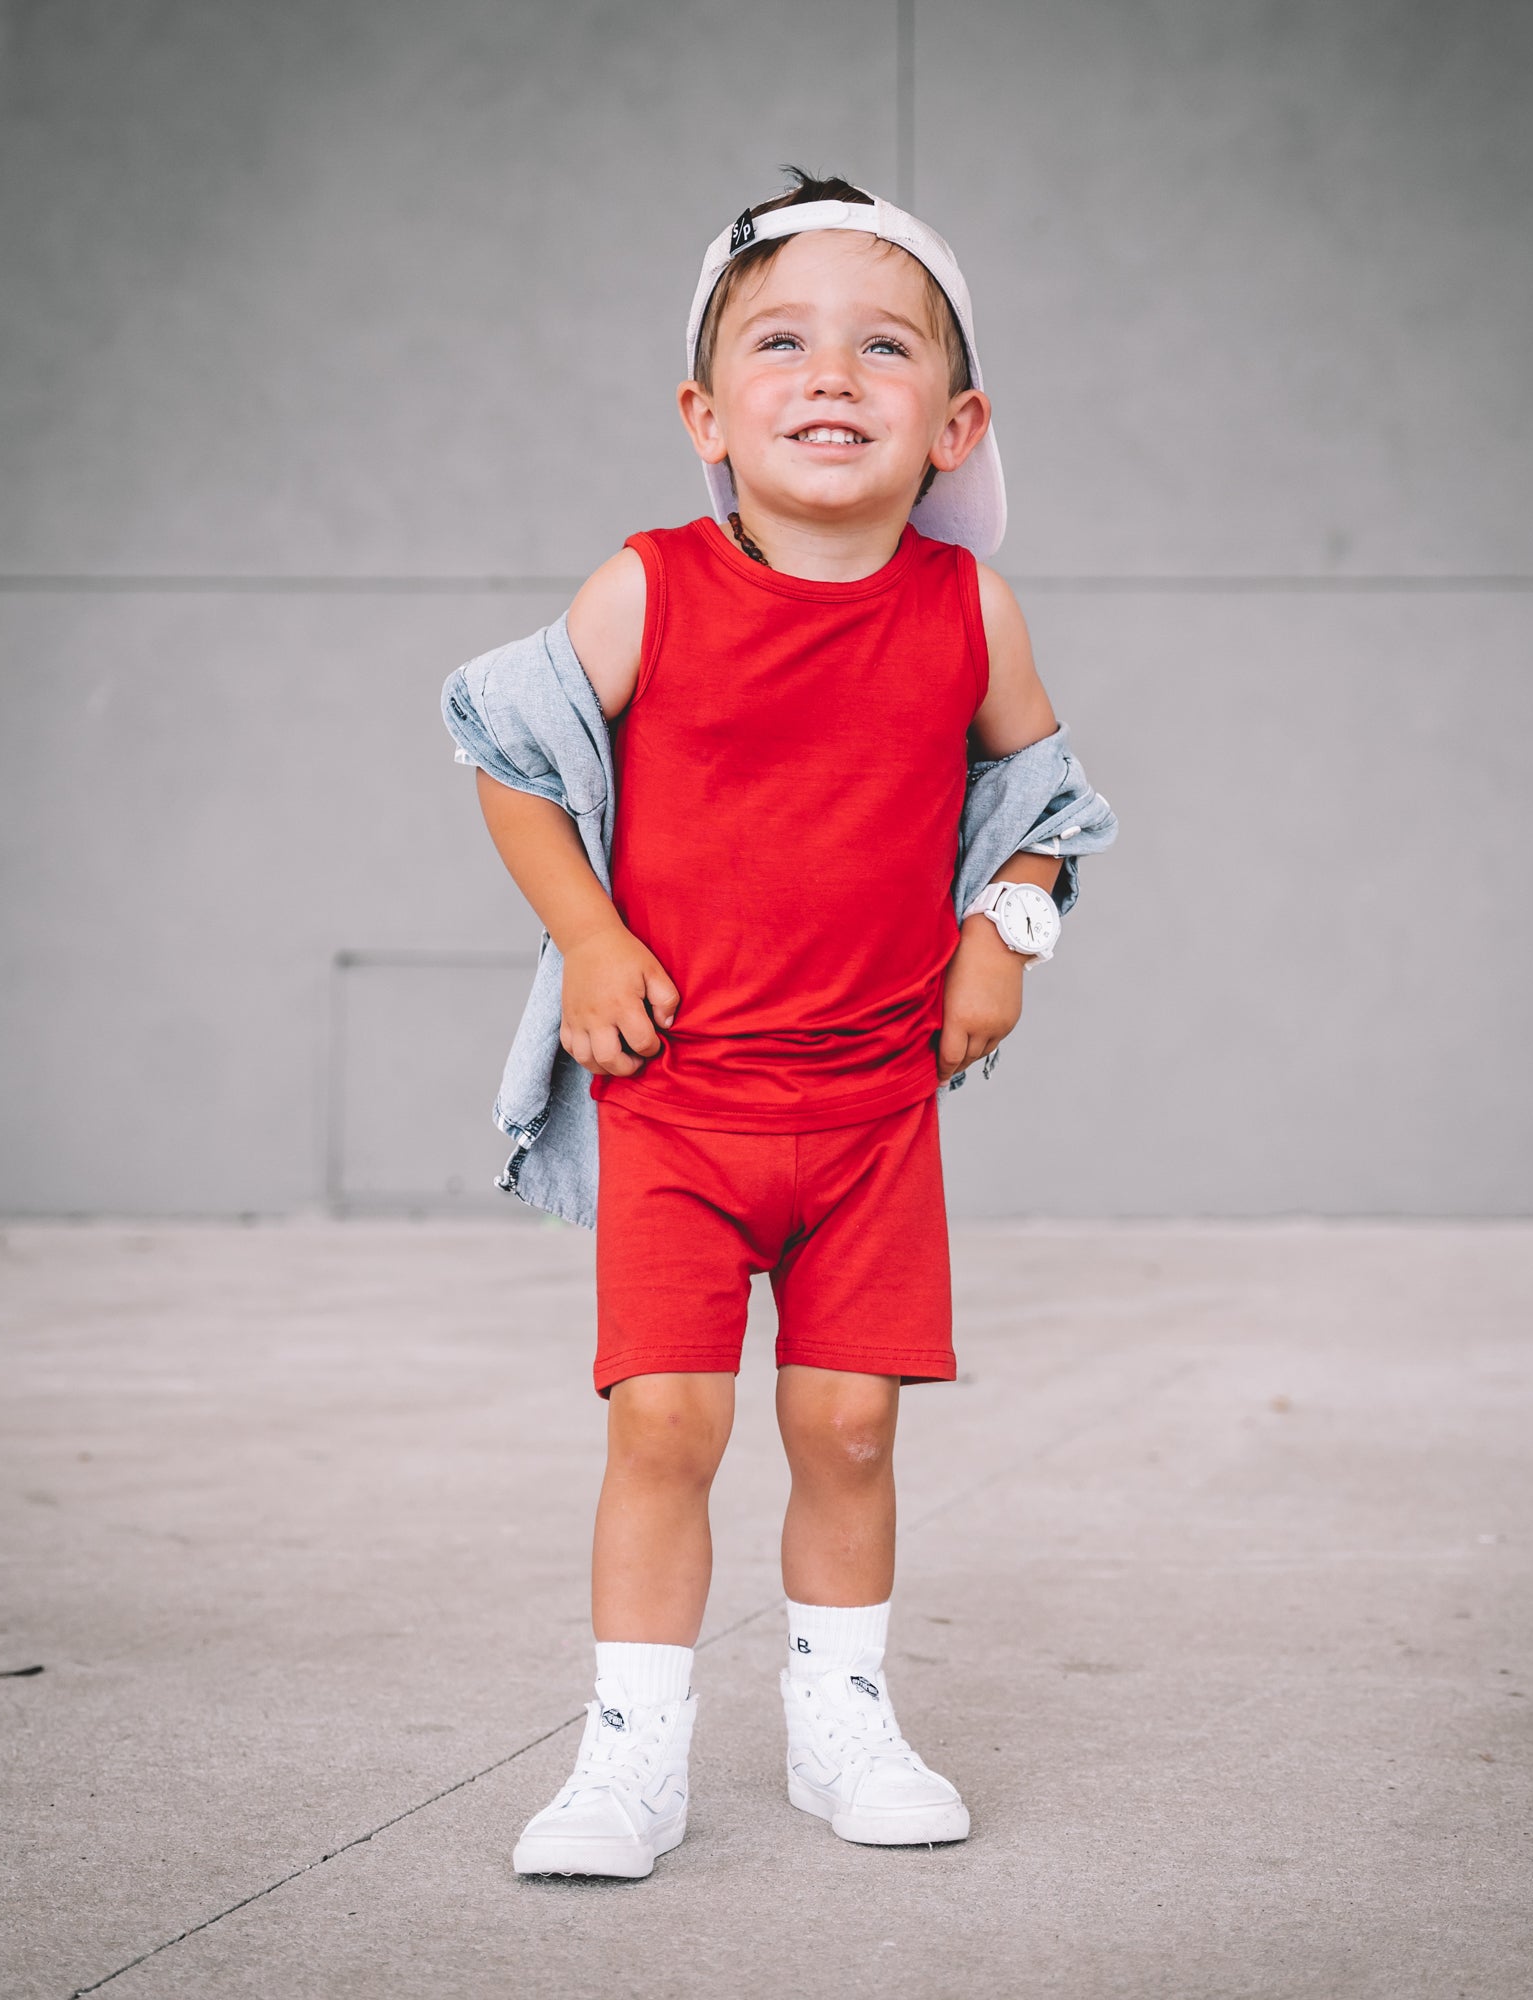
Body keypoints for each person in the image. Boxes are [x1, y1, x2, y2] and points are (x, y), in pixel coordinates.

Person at [441, 170, 1117, 1878]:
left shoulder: (967, 613)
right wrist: (588, 938)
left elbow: (1043, 800)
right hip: (679, 1103)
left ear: (955, 424)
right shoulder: (651, 587)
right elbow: (509, 756)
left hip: (872, 1112)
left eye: (884, 346)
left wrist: (1006, 935)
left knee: (850, 1429)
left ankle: (842, 1724)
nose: (831, 374)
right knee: (664, 1427)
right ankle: (629, 1756)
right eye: (782, 342)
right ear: (706, 415)